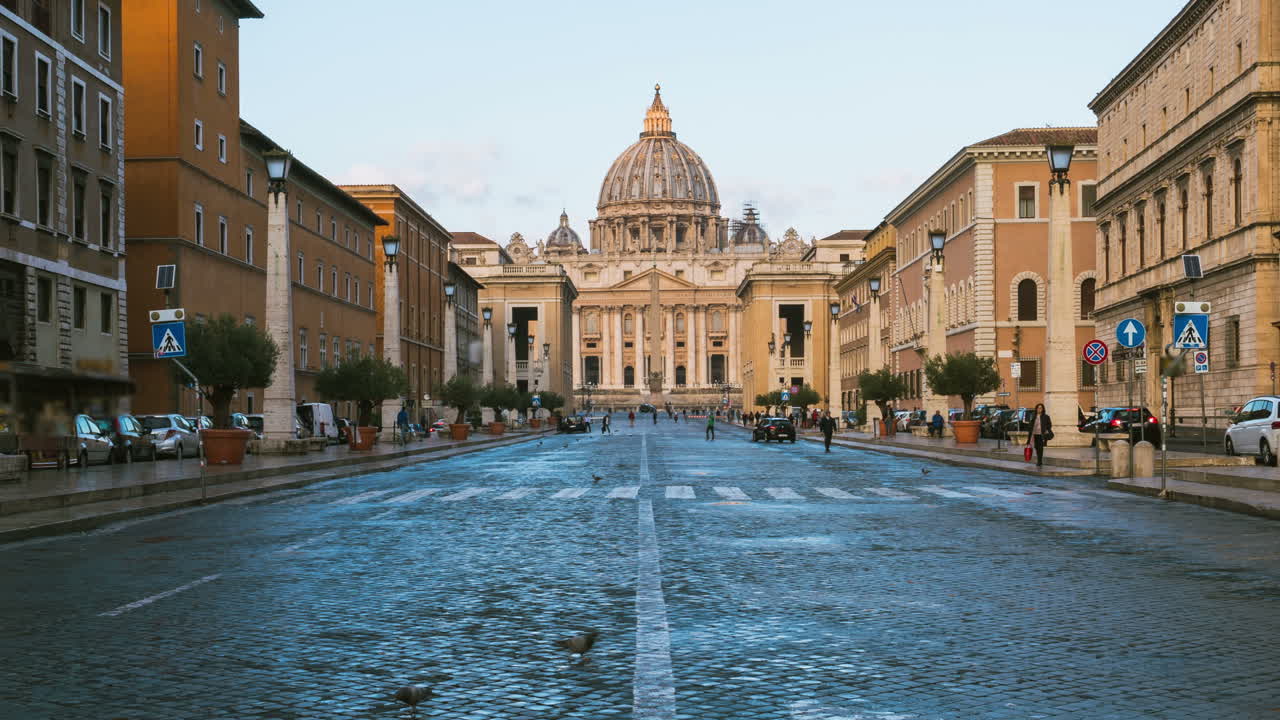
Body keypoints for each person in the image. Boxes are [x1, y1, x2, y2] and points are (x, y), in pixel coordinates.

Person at [1026, 402, 1053, 467]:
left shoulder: (1046, 417)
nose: (1039, 409)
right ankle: (1039, 460)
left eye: (1041, 408)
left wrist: (1046, 429)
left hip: (1041, 435)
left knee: (1040, 448)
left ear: (1043, 409)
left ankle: (1039, 461)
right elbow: (1030, 425)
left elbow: (1049, 425)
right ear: (1036, 409)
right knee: (1036, 447)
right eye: (1038, 408)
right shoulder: (1033, 416)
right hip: (1034, 434)